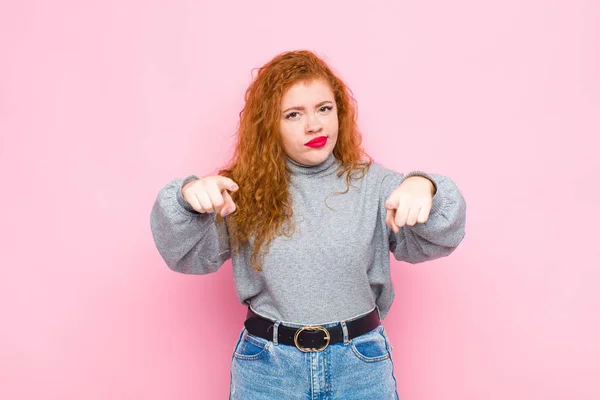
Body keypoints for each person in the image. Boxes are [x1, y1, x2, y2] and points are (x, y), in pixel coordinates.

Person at [150, 49, 467, 399]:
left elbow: (440, 238)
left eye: (324, 108)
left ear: (339, 113)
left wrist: (425, 186)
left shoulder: (376, 186)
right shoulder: (239, 191)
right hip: (268, 370)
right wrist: (187, 199)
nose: (314, 124)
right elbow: (187, 257)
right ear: (270, 125)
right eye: (293, 114)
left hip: (360, 366)